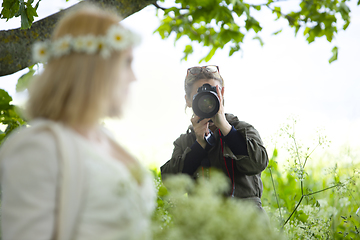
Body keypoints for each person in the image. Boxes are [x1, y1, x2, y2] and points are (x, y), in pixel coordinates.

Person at [0, 4, 156, 240]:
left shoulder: (106, 139)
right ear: (95, 67)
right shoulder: (39, 147)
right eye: (126, 63)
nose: (134, 78)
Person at [160, 65, 269, 209]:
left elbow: (258, 163)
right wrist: (198, 145)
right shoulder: (185, 142)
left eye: (212, 93)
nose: (207, 101)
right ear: (188, 100)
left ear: (222, 93)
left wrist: (226, 128)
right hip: (204, 223)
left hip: (248, 222)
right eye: (199, 96)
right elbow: (171, 183)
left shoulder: (242, 129)